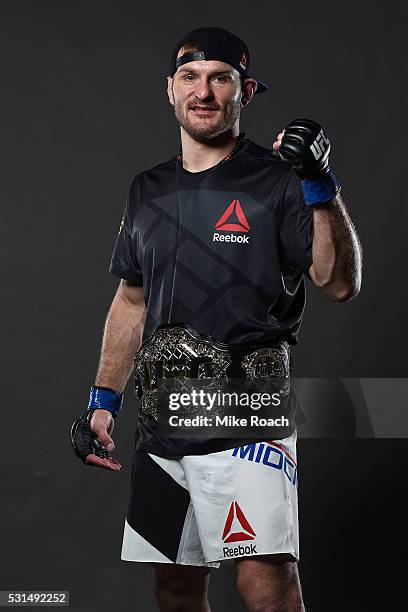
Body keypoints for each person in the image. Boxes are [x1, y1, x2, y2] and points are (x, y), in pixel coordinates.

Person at [71, 26, 362, 612]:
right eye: (190, 77)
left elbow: (338, 283)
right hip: (163, 422)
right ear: (171, 90)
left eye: (220, 78)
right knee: (175, 587)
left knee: (266, 585)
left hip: (250, 419)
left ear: (245, 91)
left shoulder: (281, 179)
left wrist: (320, 188)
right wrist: (104, 400)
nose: (203, 91)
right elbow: (132, 298)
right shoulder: (146, 190)